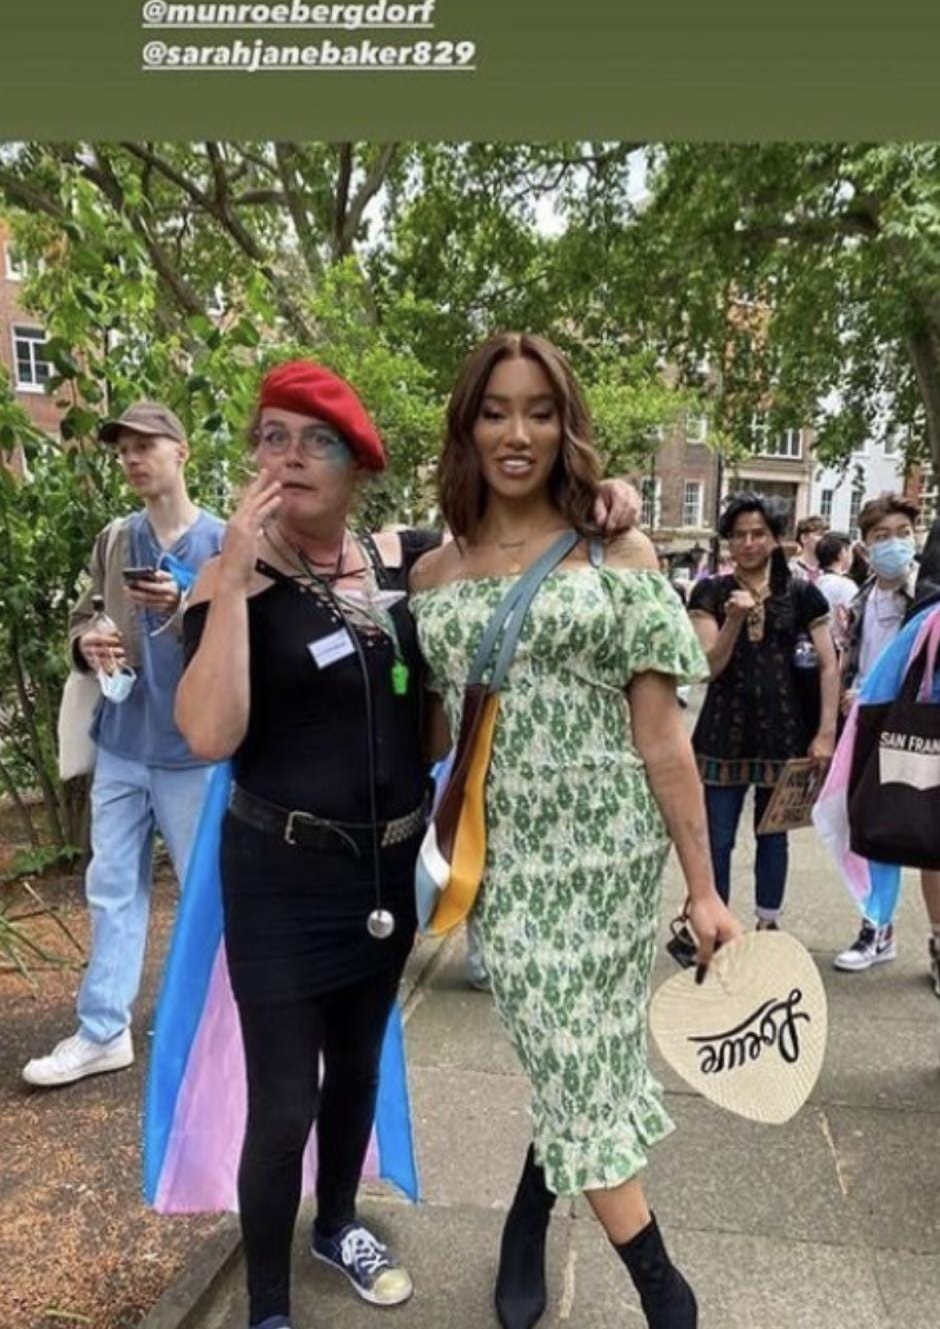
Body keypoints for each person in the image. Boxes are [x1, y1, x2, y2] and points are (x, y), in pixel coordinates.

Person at [173, 355, 643, 1329]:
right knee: (284, 1103)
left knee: (357, 1069)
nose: (291, 457)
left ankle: (337, 1223)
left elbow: (516, 539)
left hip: (385, 870)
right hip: (280, 876)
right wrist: (232, 575)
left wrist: (610, 500)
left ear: (358, 468)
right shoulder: (230, 581)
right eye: (272, 437)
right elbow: (210, 733)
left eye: (319, 442)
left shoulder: (402, 564)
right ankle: (267, 1307)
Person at [410, 332, 740, 1329]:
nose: (517, 433)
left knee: (579, 1056)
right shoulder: (432, 574)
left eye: (540, 411)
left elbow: (662, 737)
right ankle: (664, 1293)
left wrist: (703, 886)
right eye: (496, 411)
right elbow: (432, 730)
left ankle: (527, 1218)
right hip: (503, 863)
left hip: (610, 856)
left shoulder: (617, 553)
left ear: (566, 426)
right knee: (567, 1048)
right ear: (468, 426)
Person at [23, 402, 224, 1087]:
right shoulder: (116, 539)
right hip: (121, 744)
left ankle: (218, 1029)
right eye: (124, 450)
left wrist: (184, 603)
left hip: (194, 753)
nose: (133, 459)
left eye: (146, 446)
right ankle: (104, 1031)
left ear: (182, 452)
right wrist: (87, 642)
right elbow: (84, 614)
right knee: (111, 888)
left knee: (208, 893)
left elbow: (248, 639)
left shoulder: (224, 543)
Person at [687, 492, 839, 929]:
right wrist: (734, 620)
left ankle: (768, 924)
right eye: (739, 535)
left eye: (759, 533)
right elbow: (708, 667)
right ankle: (716, 925)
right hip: (723, 735)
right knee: (717, 839)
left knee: (773, 837)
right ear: (728, 541)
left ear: (775, 539)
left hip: (784, 734)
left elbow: (829, 665)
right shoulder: (710, 592)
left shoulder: (802, 595)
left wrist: (825, 732)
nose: (749, 543)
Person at [832, 493, 940, 977]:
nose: (894, 544)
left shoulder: (928, 596)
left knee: (926, 831)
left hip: (915, 727)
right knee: (875, 827)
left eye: (903, 533)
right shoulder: (859, 600)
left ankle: (937, 939)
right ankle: (878, 928)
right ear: (865, 545)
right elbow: (849, 658)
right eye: (882, 536)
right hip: (867, 725)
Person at [814, 531, 857, 654]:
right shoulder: (845, 585)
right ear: (841, 553)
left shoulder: (816, 583)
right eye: (850, 551)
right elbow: (856, 619)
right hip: (839, 651)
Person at [790, 514, 826, 582]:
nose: (824, 539)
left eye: (826, 535)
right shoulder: (791, 569)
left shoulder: (828, 569)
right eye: (820, 534)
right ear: (804, 538)